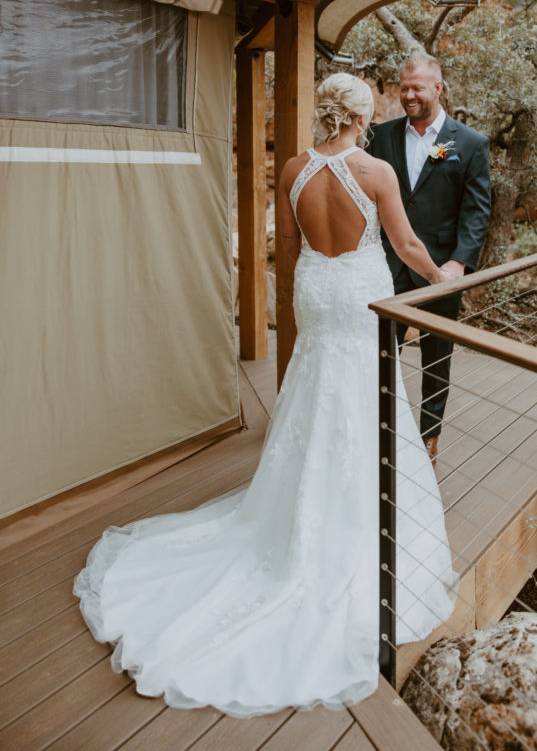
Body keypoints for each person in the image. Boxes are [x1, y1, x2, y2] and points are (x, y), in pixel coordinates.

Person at [74, 72, 456, 716]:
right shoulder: (376, 173)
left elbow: (289, 245)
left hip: (314, 289)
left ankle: (298, 508)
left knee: (316, 391)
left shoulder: (292, 170)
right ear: (364, 117)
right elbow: (405, 243)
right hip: (360, 294)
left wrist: (314, 279)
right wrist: (438, 277)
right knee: (364, 397)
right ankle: (359, 515)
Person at [368, 53, 491, 464]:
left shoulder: (470, 144)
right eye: (403, 87)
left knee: (437, 358)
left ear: (438, 88)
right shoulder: (378, 137)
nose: (408, 95)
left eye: (417, 87)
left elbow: (476, 211)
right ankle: (381, 433)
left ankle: (429, 441)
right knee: (382, 355)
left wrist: (459, 262)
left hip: (440, 270)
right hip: (387, 264)